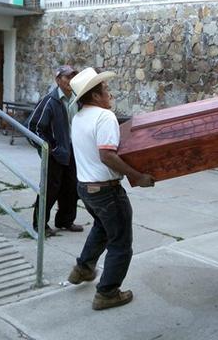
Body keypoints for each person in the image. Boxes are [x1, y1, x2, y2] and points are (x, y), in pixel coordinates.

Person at [66, 67, 154, 311]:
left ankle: (83, 268)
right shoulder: (104, 117)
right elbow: (107, 155)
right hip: (106, 191)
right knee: (121, 243)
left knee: (103, 228)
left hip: (85, 186)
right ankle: (107, 293)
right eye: (105, 90)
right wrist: (138, 176)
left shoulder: (79, 116)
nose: (110, 94)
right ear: (95, 96)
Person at [27, 65, 83, 236]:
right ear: (58, 80)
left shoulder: (77, 99)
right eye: (67, 77)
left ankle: (65, 221)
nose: (70, 81)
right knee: (50, 189)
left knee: (72, 188)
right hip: (55, 153)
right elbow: (33, 127)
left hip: (73, 151)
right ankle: (40, 224)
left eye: (73, 77)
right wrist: (49, 148)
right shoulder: (50, 101)